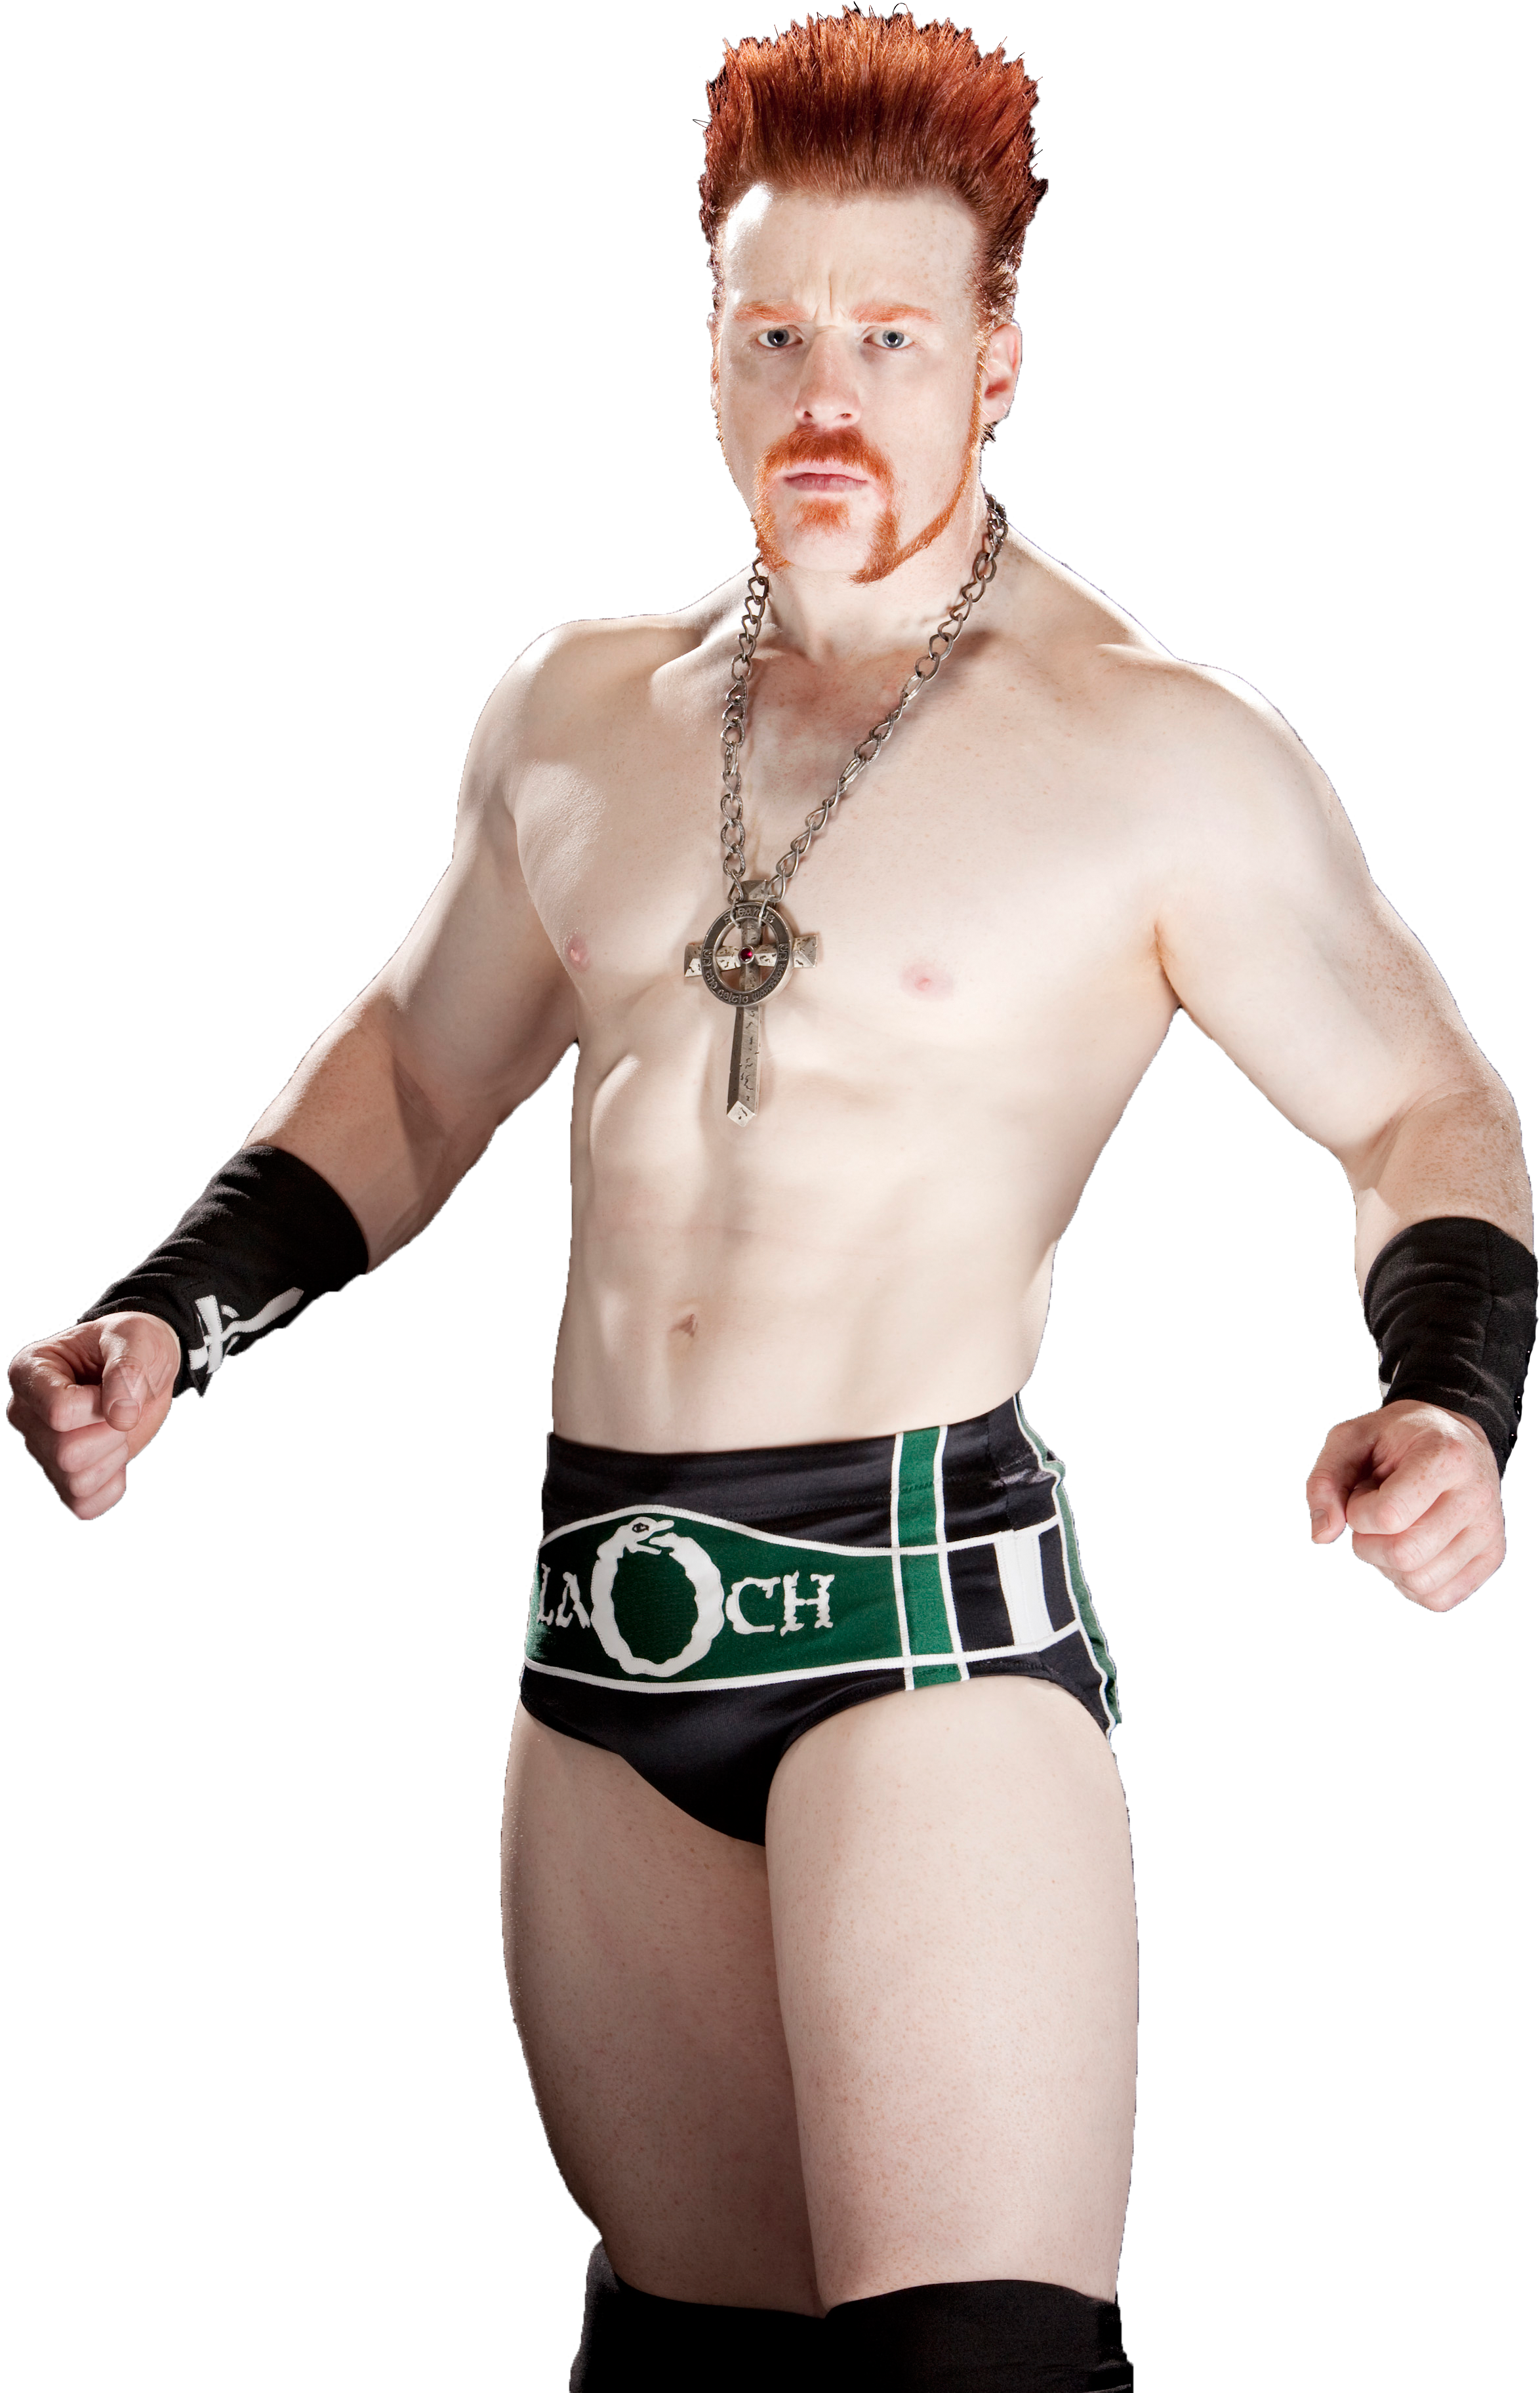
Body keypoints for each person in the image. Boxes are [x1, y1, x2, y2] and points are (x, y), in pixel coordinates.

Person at [9, 16, 1532, 2389]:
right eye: (777, 335)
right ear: (711, 347)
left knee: (967, 2376)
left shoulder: (1150, 747)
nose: (830, 397)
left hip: (922, 1630)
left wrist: (1448, 1401)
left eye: (893, 339)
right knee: (693, 2377)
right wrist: (174, 1318)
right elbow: (418, 1071)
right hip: (599, 1638)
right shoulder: (577, 712)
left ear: (996, 362)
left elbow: (1422, 1104)